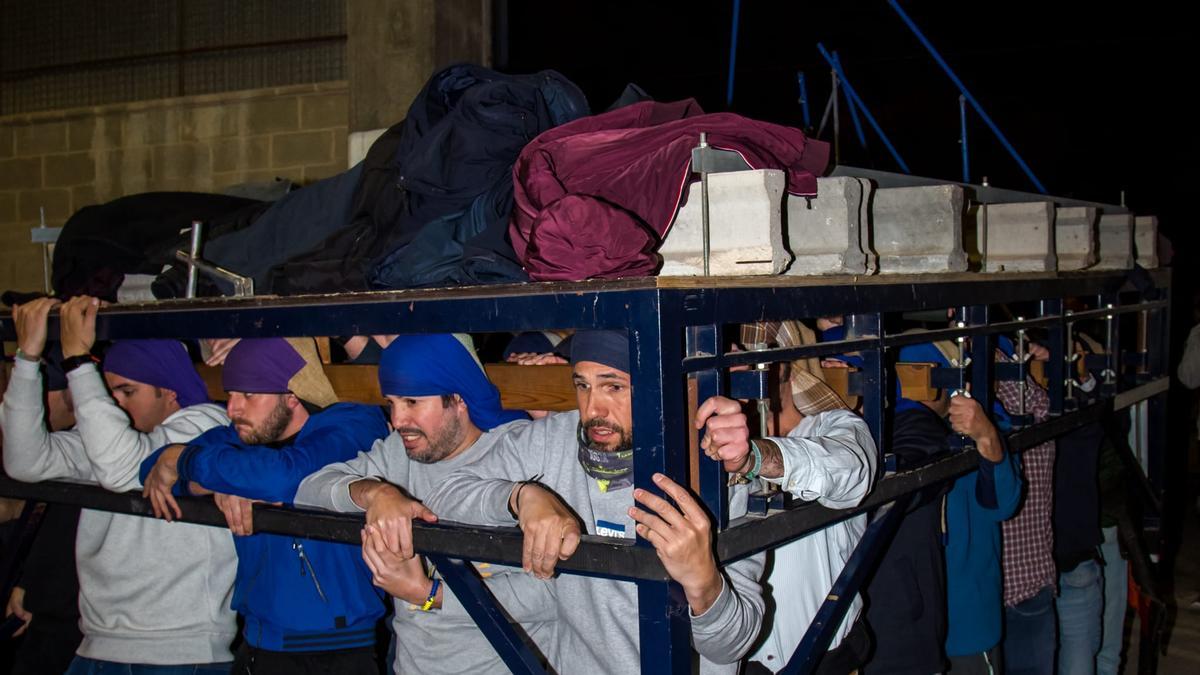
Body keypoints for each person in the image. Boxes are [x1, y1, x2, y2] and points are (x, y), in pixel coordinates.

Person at [415, 330, 766, 673]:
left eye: (613, 386)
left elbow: (732, 645)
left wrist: (703, 582)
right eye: (582, 385)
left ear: (659, 384)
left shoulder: (712, 465)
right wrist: (520, 497)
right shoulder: (556, 439)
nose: (593, 408)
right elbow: (443, 493)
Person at [295, 333, 560, 673]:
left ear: (459, 399)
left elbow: (553, 594)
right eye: (392, 403)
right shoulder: (399, 453)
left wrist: (430, 594)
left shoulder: (520, 452)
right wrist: (376, 494)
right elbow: (309, 489)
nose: (397, 419)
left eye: (411, 402)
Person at [2, 295, 238, 673]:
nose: (113, 404)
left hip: (178, 650)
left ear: (170, 391)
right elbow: (25, 462)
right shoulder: (112, 436)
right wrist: (27, 362)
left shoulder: (206, 427)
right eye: (108, 392)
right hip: (97, 644)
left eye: (128, 392)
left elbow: (124, 470)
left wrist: (79, 362)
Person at [139, 337, 390, 674]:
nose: (232, 409)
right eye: (231, 395)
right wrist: (219, 481)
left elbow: (284, 477)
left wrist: (195, 465)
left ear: (292, 395)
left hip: (339, 650)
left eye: (248, 395)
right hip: (257, 642)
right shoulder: (237, 438)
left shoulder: (352, 425)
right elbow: (150, 469)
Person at [712, 320, 878, 674]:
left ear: (787, 368)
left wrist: (759, 457)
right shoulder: (711, 442)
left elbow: (850, 470)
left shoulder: (834, 427)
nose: (740, 371)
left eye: (758, 362)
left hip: (826, 661)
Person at [899, 340, 1023, 674]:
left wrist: (985, 435)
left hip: (966, 625)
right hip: (910, 633)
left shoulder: (980, 432)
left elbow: (1002, 502)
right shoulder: (888, 436)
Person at [2, 344, 85, 675]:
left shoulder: (89, 450)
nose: (26, 408)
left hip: (64, 621)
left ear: (70, 396)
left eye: (40, 394)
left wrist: (32, 586)